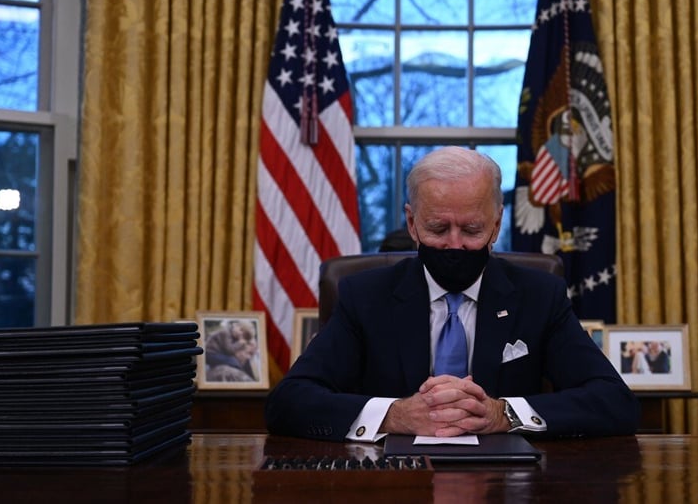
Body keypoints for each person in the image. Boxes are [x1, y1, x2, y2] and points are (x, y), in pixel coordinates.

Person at [265, 146, 639, 441]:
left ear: (496, 224)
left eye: (472, 229)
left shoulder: (540, 295)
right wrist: (394, 415)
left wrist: (504, 414)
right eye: (438, 228)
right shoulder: (365, 296)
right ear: (412, 223)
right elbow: (289, 401)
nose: (455, 245)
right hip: (393, 480)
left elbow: (615, 401)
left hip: (508, 482)